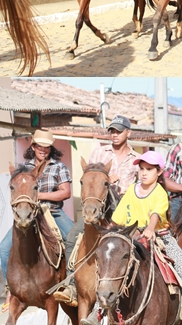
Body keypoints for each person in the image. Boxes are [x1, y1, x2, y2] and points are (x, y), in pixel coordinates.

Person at [80, 151, 182, 325]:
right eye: (142, 169)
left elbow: (156, 214)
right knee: (110, 267)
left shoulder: (160, 192)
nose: (143, 173)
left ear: (158, 172)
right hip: (130, 236)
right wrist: (108, 232)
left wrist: (150, 229)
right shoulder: (131, 191)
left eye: (149, 169)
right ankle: (98, 311)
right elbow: (117, 218)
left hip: (160, 237)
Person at [53, 115, 141, 306]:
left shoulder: (136, 159)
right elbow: (89, 180)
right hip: (100, 208)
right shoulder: (99, 153)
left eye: (119, 131)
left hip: (124, 210)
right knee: (72, 237)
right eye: (112, 131)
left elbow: (139, 187)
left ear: (128, 132)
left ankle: (136, 286)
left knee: (137, 243)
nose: (115, 135)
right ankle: (71, 284)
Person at [1, 131, 74, 312]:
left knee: (75, 237)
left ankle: (71, 285)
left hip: (53, 211)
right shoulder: (23, 169)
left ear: (50, 148)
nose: (43, 149)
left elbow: (65, 192)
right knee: (3, 248)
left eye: (46, 146)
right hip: (30, 214)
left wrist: (38, 195)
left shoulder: (58, 167)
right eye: (39, 146)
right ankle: (11, 289)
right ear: (33, 147)